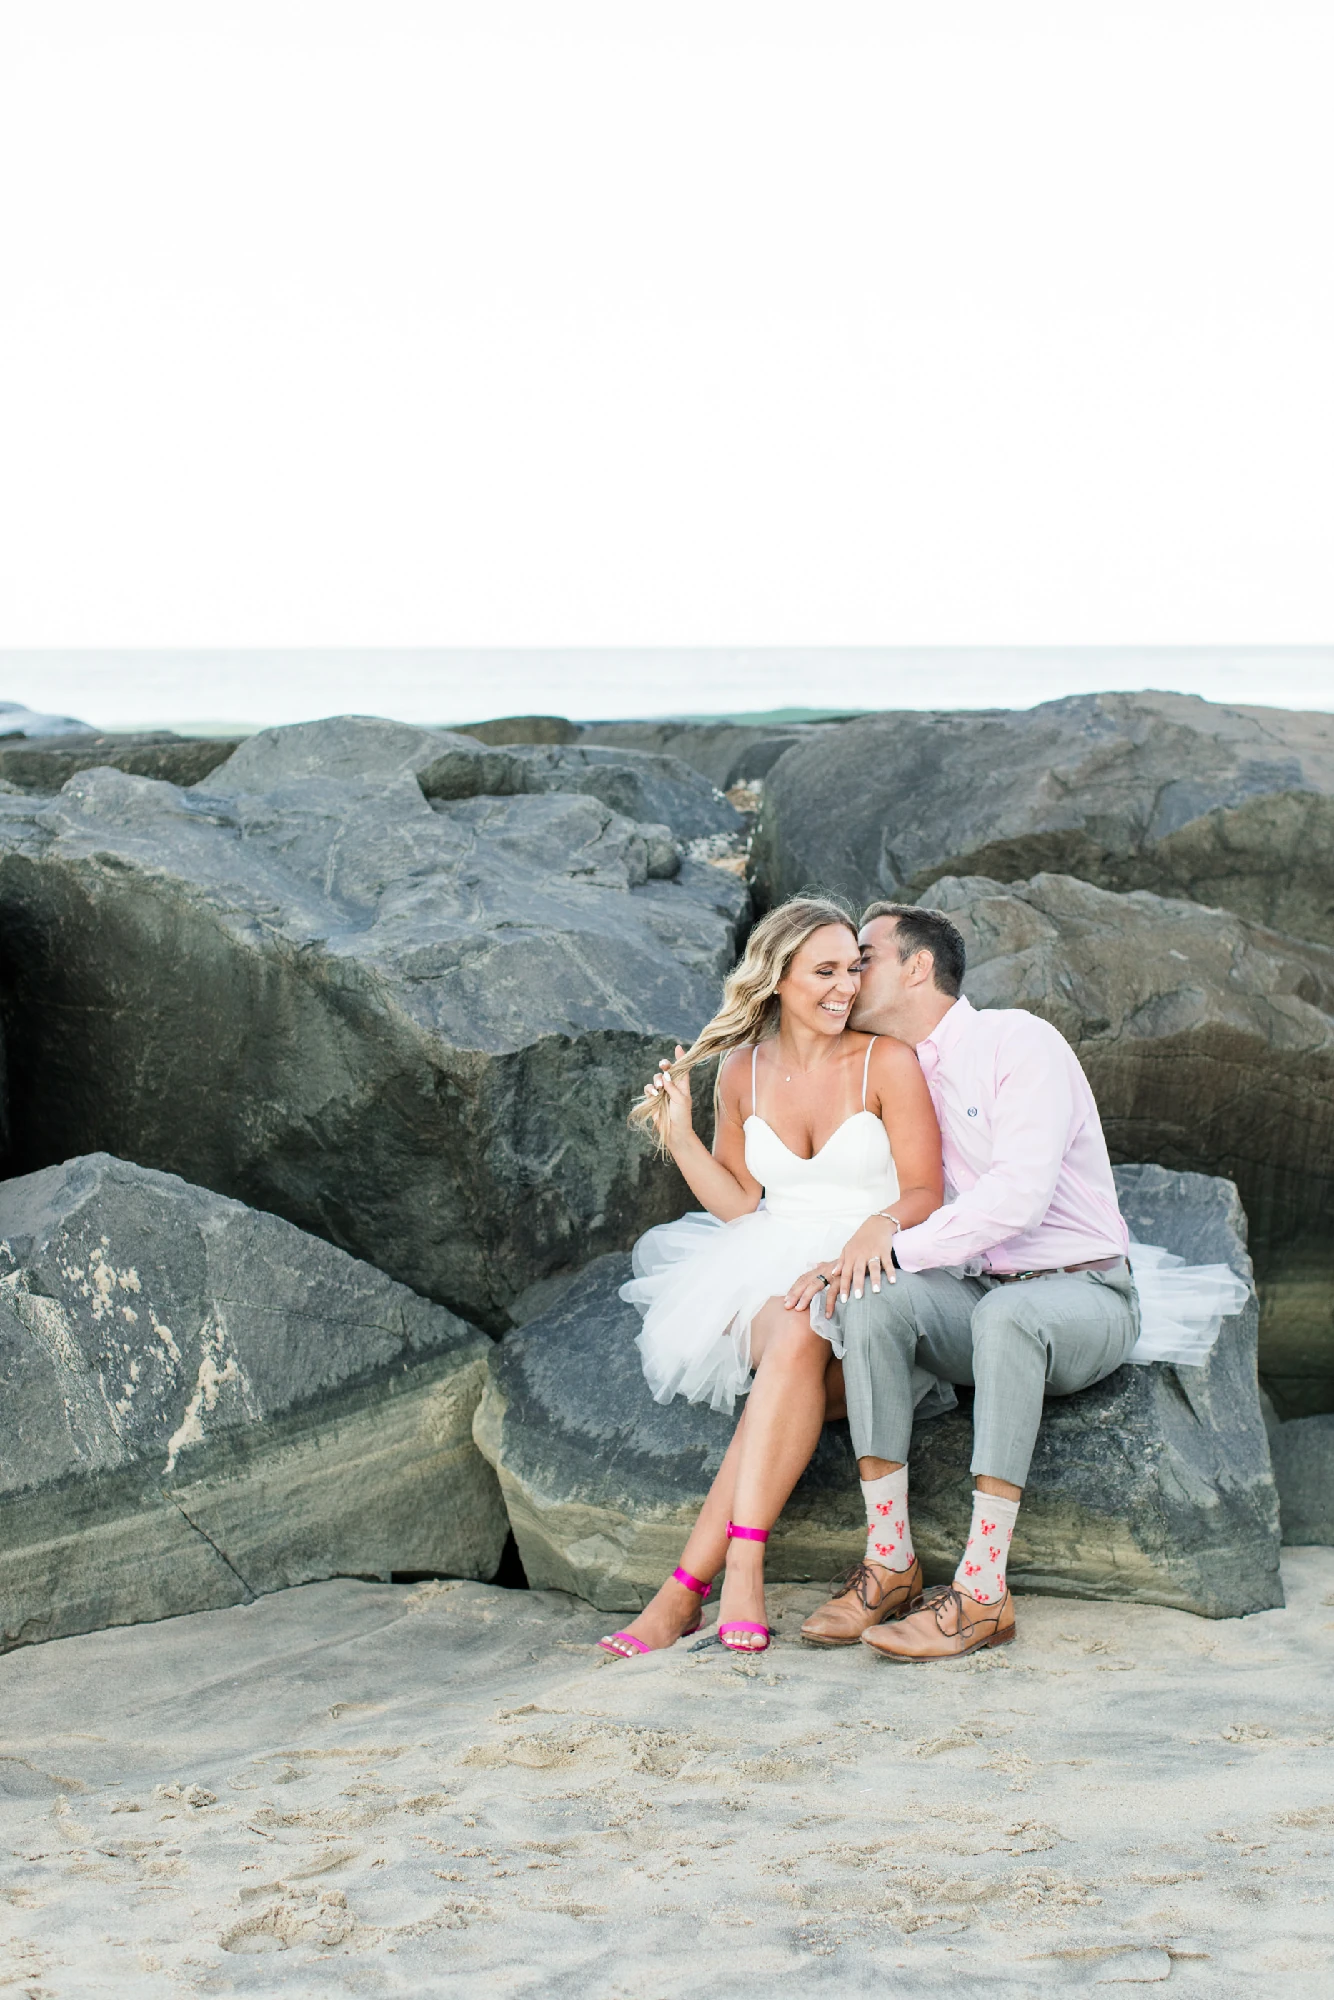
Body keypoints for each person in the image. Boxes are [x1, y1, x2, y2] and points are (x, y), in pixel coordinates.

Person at [793, 902, 1246, 1661]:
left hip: (1084, 1294)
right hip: (977, 1294)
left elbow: (1019, 1196)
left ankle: (982, 1592)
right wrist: (857, 1255)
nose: (851, 972)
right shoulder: (892, 1070)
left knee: (1008, 1317)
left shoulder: (1019, 1042)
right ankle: (890, 1562)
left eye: (864, 955)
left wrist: (897, 1246)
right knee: (868, 1299)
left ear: (917, 966)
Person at [599, 896, 944, 1659]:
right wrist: (680, 1139)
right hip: (766, 1263)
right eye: (823, 972)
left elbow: (924, 1190)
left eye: (852, 969)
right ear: (777, 978)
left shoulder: (886, 1062)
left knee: (782, 1375)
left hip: (870, 1268)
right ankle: (739, 1570)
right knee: (791, 1328)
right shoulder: (739, 1070)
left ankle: (687, 1591)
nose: (845, 988)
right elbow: (740, 1203)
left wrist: (868, 1235)